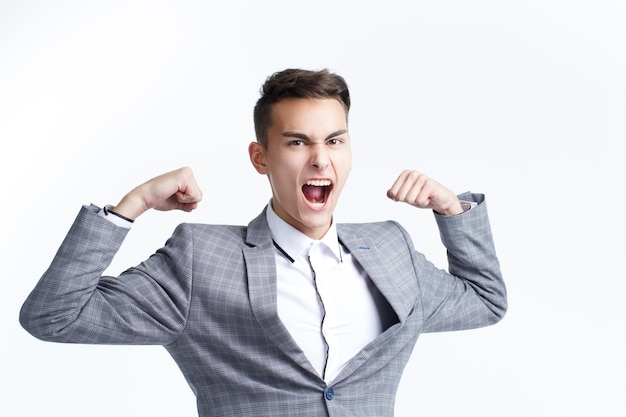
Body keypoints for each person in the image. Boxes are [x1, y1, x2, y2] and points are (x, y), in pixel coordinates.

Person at [20, 68, 507, 416]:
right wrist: (134, 204)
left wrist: (453, 211)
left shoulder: (389, 249)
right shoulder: (199, 259)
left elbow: (486, 302)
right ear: (261, 157)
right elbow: (54, 316)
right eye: (298, 142)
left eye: (334, 141)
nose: (320, 160)